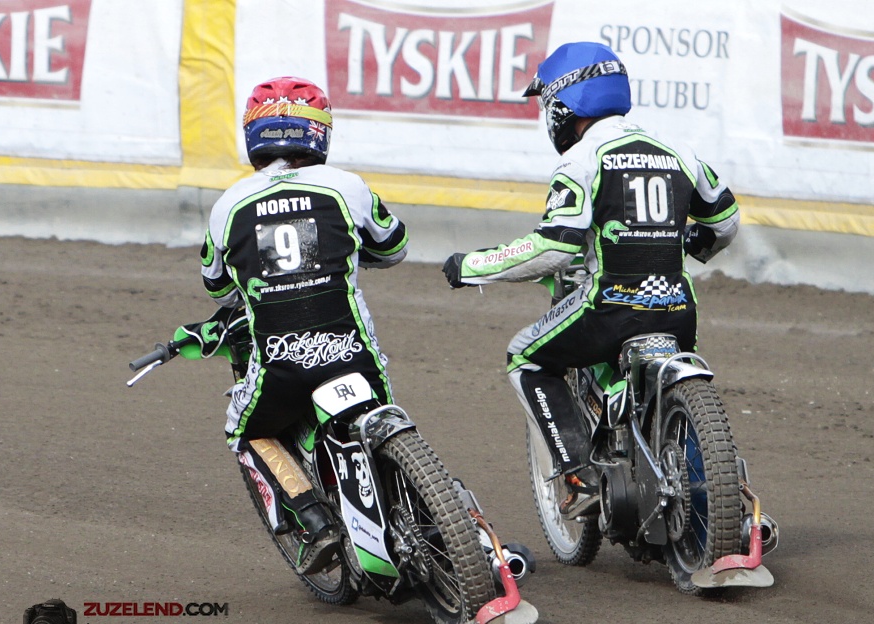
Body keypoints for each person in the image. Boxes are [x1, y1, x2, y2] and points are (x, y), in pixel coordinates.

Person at [441, 42, 739, 518]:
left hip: (611, 308)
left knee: (525, 356)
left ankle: (579, 478)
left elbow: (555, 248)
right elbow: (724, 223)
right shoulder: (679, 152)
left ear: (565, 103)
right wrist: (685, 243)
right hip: (679, 311)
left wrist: (473, 266)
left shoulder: (583, 159)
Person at [201, 76, 408, 571]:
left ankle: (312, 519)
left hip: (280, 366)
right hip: (352, 352)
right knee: (382, 424)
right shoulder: (347, 185)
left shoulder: (227, 205)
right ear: (318, 133)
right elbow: (394, 247)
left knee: (243, 430)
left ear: (253, 135)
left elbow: (218, 288)